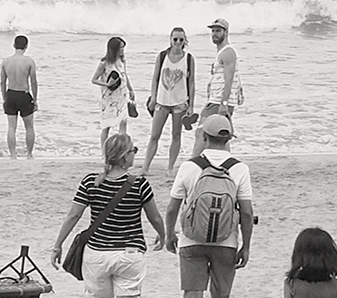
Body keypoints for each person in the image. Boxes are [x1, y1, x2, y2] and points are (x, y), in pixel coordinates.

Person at [49, 131, 166, 298]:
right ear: (124, 157)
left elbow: (73, 215)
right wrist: (163, 234)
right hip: (130, 253)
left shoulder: (91, 182)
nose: (135, 155)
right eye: (133, 151)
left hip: (97, 253)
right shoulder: (139, 184)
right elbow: (154, 217)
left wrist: (58, 244)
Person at [163, 112, 255, 298]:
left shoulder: (189, 166)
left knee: (192, 296)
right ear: (228, 140)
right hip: (226, 241)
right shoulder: (239, 168)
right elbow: (246, 212)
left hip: (192, 240)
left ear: (204, 137)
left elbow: (172, 208)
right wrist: (245, 245)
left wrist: (171, 235)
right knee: (221, 295)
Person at [138, 27, 195, 178]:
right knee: (154, 135)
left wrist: (191, 105)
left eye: (181, 40)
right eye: (175, 39)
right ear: (170, 39)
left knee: (176, 135)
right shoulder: (162, 56)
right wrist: (153, 96)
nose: (178, 42)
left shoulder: (189, 58)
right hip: (162, 101)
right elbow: (155, 78)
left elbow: (191, 83)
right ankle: (145, 167)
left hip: (180, 102)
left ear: (185, 41)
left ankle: (170, 168)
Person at [192, 18, 240, 155]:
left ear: (226, 32)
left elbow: (229, 79)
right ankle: (226, 165)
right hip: (217, 100)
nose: (214, 34)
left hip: (218, 102)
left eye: (218, 31)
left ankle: (193, 164)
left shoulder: (228, 52)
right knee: (220, 137)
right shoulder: (222, 53)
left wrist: (224, 104)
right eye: (213, 31)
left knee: (201, 133)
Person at [91, 37, 135, 146]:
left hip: (122, 96)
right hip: (109, 99)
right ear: (114, 49)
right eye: (120, 48)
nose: (122, 50)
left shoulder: (122, 61)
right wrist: (107, 84)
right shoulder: (105, 63)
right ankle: (105, 153)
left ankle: (121, 151)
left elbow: (124, 75)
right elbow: (94, 79)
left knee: (123, 122)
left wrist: (131, 89)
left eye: (123, 48)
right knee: (106, 126)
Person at [0, 36, 39, 157]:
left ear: (13, 45)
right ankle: (29, 154)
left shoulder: (6, 61)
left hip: (11, 93)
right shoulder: (29, 61)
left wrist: (4, 98)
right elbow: (33, 82)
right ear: (26, 46)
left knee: (11, 127)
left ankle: (13, 154)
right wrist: (35, 99)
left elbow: (2, 82)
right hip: (24, 94)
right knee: (29, 126)